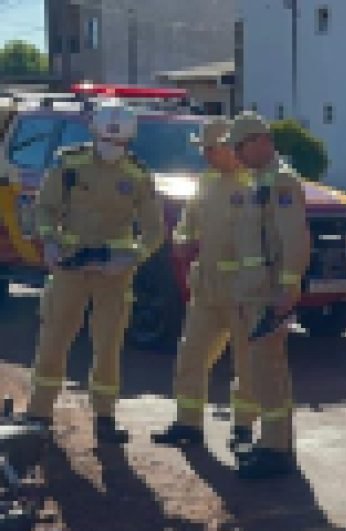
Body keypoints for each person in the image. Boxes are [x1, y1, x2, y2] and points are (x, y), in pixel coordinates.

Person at [26, 101, 165, 443]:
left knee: (108, 345)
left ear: (129, 142)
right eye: (106, 140)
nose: (111, 148)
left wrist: (133, 257)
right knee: (54, 339)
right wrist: (49, 242)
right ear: (93, 134)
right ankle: (39, 414)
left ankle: (104, 418)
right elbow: (44, 209)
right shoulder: (69, 163)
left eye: (118, 143)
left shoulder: (137, 174)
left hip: (113, 274)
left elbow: (154, 230)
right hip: (70, 268)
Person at [151, 118, 258, 452]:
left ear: (229, 149)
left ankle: (242, 430)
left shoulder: (257, 185)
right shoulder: (207, 182)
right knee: (191, 355)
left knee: (246, 364)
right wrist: (183, 240)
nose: (207, 156)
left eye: (211, 150)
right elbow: (188, 224)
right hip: (207, 289)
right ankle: (188, 423)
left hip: (243, 291)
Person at [227, 112, 310, 479]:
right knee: (264, 372)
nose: (237, 155)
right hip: (255, 293)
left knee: (269, 371)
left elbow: (295, 239)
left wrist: (289, 287)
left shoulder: (280, 183)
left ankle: (277, 451)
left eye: (240, 147)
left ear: (260, 142)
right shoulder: (259, 181)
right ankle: (273, 443)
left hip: (269, 294)